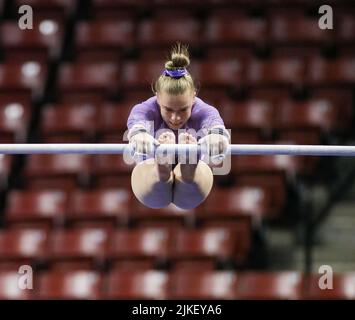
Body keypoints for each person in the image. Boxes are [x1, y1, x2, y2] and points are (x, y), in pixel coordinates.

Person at [126, 43, 230, 210]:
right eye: (168, 109)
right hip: (150, 166)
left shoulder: (204, 110)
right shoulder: (144, 109)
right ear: (157, 96)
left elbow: (215, 123)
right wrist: (138, 134)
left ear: (194, 96)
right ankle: (161, 171)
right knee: (156, 188)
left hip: (195, 176)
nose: (175, 118)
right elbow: (137, 121)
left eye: (183, 109)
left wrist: (218, 137)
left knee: (189, 190)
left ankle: (188, 169)